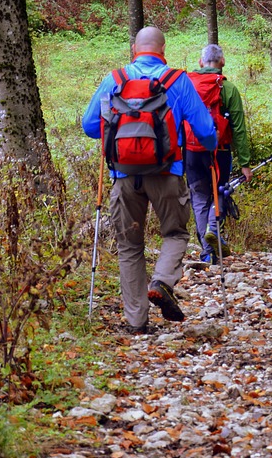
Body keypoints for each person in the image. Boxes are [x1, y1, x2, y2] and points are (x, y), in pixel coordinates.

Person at [82, 26, 217, 334]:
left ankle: (136, 322)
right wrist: (209, 147)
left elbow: (90, 126)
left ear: (134, 49)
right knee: (175, 234)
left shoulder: (113, 81)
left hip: (124, 177)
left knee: (129, 245)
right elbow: (206, 131)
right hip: (167, 174)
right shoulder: (177, 81)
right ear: (163, 49)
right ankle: (162, 281)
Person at [184, 43, 252, 262]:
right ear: (222, 62)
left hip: (192, 151)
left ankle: (206, 253)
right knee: (220, 191)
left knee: (199, 198)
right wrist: (245, 162)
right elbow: (239, 129)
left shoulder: (187, 85)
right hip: (220, 151)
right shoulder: (228, 89)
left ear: (201, 62)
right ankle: (214, 229)